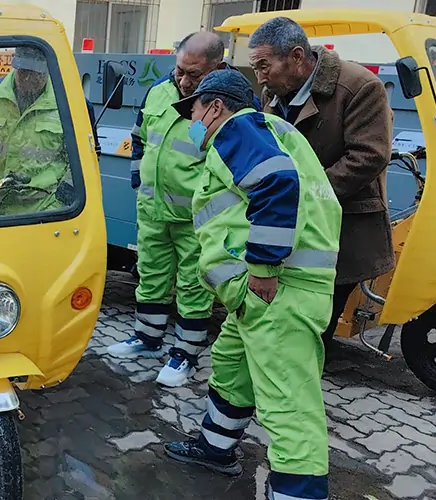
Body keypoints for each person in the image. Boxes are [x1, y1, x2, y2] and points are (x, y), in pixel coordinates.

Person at [162, 69, 341, 500]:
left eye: (195, 109)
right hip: (263, 296)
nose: (192, 119)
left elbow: (277, 184)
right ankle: (216, 449)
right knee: (230, 366)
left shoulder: (237, 130)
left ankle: (298, 493)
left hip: (277, 292)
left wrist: (262, 267)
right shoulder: (273, 130)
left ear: (216, 107)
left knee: (288, 403)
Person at [106, 32, 257, 388]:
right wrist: (138, 179)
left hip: (197, 218)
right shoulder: (158, 91)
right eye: (180, 70)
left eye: (195, 75)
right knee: (151, 275)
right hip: (153, 209)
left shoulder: (232, 106)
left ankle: (185, 355)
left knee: (194, 286)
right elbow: (139, 135)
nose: (184, 81)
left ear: (218, 68)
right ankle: (147, 339)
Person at [248, 17, 395, 350]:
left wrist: (299, 191)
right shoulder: (273, 91)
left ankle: (300, 393)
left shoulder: (360, 87)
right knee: (283, 324)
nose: (259, 76)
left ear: (297, 57)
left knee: (313, 331)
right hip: (290, 225)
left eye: (263, 65)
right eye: (255, 67)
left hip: (341, 231)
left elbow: (368, 157)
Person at [0, 45, 90, 215]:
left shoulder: (70, 104)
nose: (27, 79)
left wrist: (63, 200)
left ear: (48, 70)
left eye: (34, 73)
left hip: (44, 209)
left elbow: (85, 159)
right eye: (23, 71)